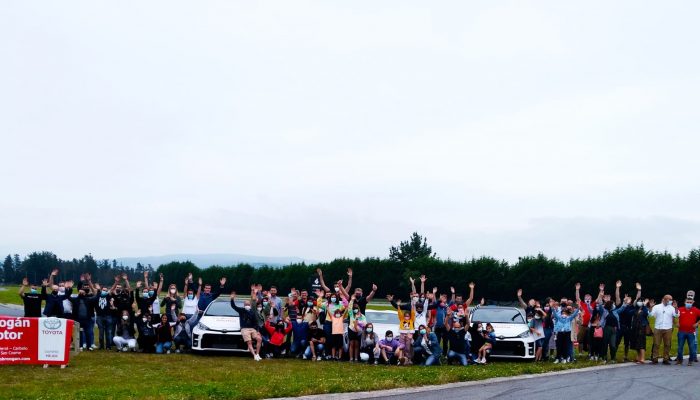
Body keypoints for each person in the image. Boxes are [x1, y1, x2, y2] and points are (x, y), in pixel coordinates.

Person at [231, 289, 263, 361]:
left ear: (250, 305)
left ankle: (257, 354)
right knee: (249, 342)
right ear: (244, 305)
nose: (247, 305)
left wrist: (257, 330)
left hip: (253, 328)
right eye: (246, 304)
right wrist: (232, 299)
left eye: (248, 304)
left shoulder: (252, 312)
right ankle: (254, 355)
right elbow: (233, 306)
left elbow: (255, 322)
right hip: (244, 329)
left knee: (259, 339)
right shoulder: (241, 310)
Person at [648, 295, 678, 364]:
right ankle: (655, 359)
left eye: (671, 299)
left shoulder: (672, 308)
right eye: (669, 299)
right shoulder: (657, 307)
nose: (671, 301)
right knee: (656, 344)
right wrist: (651, 307)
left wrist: (676, 308)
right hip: (658, 328)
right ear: (664, 299)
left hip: (668, 328)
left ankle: (666, 359)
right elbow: (650, 315)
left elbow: (676, 315)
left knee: (667, 344)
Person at [676, 294, 700, 366]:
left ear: (692, 302)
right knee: (680, 347)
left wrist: (697, 323)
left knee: (692, 348)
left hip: (691, 332)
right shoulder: (680, 309)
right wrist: (676, 322)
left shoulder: (696, 310)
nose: (689, 303)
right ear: (685, 302)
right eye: (687, 302)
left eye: (690, 302)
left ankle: (690, 361)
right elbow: (673, 316)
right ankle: (680, 360)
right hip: (681, 332)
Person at [95, 284, 115, 350]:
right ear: (101, 290)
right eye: (103, 290)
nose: (104, 291)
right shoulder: (98, 295)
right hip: (99, 316)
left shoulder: (108, 296)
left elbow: (111, 290)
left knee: (108, 332)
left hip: (108, 316)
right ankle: (101, 346)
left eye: (106, 291)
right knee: (101, 332)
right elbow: (93, 289)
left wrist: (115, 283)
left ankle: (108, 346)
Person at [347, 296, 367, 362]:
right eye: (354, 308)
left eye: (356, 308)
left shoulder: (362, 316)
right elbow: (349, 308)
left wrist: (358, 321)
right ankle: (351, 358)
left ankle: (356, 358)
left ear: (358, 309)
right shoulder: (351, 314)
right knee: (352, 344)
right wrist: (352, 300)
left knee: (357, 344)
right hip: (351, 330)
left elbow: (365, 324)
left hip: (359, 332)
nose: (355, 309)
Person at [629, 298, 649, 364]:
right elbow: (629, 313)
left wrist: (644, 305)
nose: (639, 302)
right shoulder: (635, 309)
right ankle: (638, 357)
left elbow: (646, 314)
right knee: (636, 343)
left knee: (641, 343)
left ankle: (642, 358)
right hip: (635, 328)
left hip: (642, 327)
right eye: (638, 301)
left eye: (641, 301)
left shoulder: (644, 309)